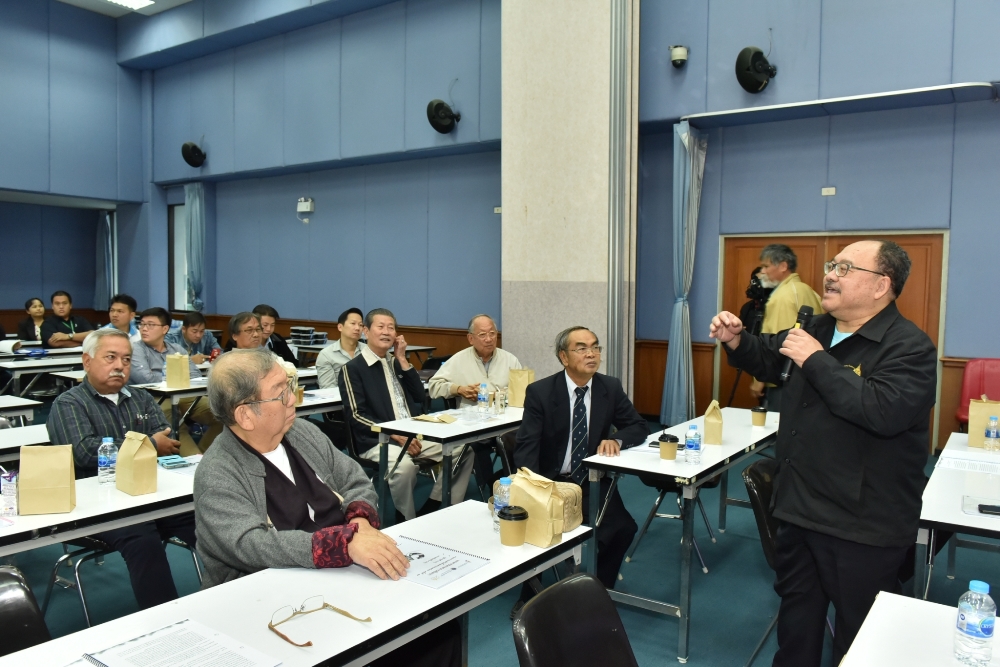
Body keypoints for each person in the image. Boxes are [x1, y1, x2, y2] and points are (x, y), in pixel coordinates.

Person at [710, 239, 937, 667]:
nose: (830, 275)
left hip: (861, 524)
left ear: (881, 285)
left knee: (859, 639)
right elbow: (769, 356)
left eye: (845, 268)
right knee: (797, 627)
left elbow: (880, 411)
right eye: (832, 265)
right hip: (798, 507)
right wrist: (737, 340)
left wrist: (816, 360)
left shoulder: (910, 347)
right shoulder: (815, 328)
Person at [194, 347, 461, 666]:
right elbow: (251, 545)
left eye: (290, 386)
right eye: (280, 393)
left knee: (437, 629)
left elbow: (355, 479)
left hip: (337, 576)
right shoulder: (217, 472)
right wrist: (343, 544)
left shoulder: (301, 432)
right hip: (270, 601)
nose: (292, 399)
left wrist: (360, 523)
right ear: (245, 415)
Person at [46, 328, 195, 610]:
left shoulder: (141, 398)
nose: (120, 366)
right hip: (99, 506)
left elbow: (167, 438)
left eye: (126, 359)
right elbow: (84, 452)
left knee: (202, 520)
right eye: (110, 357)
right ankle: (168, 617)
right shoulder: (69, 403)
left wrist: (150, 444)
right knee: (143, 539)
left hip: (150, 493)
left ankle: (239, 591)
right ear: (87, 361)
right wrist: (149, 444)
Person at [514, 326, 648, 591]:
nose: (591, 354)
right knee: (541, 528)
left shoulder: (609, 387)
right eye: (582, 348)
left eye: (595, 347)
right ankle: (529, 594)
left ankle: (599, 589)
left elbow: (639, 425)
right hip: (550, 481)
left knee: (623, 529)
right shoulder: (541, 392)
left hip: (590, 480)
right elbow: (526, 449)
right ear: (564, 357)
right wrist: (537, 490)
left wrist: (617, 439)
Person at [341, 308, 475, 521]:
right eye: (380, 327)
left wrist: (403, 359)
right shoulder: (353, 368)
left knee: (463, 449)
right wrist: (395, 434)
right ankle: (407, 519)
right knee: (404, 468)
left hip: (413, 433)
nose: (386, 332)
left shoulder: (396, 363)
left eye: (391, 328)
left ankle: (434, 504)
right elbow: (356, 415)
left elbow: (420, 396)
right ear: (366, 331)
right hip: (378, 440)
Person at [427, 314, 523, 489]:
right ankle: (490, 484)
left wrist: (499, 395)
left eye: (492, 333)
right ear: (471, 338)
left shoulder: (510, 360)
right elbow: (433, 386)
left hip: (505, 421)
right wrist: (458, 389)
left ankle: (513, 482)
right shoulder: (459, 360)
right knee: (475, 444)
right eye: (482, 335)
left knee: (522, 437)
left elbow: (521, 392)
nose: (489, 339)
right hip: (472, 424)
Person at [130, 307, 222, 454]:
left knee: (222, 413)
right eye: (142, 324)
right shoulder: (136, 349)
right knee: (174, 423)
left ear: (165, 329)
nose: (144, 329)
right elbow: (145, 378)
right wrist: (177, 376)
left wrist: (169, 377)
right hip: (155, 398)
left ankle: (204, 455)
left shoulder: (176, 349)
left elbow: (194, 374)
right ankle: (194, 457)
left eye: (151, 325)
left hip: (184, 395)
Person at [749, 245, 823, 411]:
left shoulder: (782, 297)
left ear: (783, 266)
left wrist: (759, 379)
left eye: (766, 266)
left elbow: (777, 345)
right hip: (810, 377)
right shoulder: (808, 291)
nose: (762, 272)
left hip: (784, 380)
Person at [316, 308, 367, 388]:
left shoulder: (369, 351)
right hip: (339, 395)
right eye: (353, 323)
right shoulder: (326, 355)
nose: (357, 328)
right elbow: (328, 389)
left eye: (360, 325)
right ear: (340, 327)